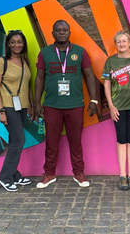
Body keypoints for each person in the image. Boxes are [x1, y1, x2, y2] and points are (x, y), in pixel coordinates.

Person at [34, 20, 98, 189]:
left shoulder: (80, 52)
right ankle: (49, 174)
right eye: (58, 30)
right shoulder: (45, 53)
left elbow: (90, 76)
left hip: (75, 105)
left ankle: (79, 173)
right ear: (52, 33)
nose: (61, 32)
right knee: (51, 142)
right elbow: (39, 78)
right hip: (52, 105)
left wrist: (94, 100)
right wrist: (37, 102)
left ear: (69, 33)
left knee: (75, 141)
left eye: (64, 30)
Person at [101, 30, 130, 190]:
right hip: (118, 107)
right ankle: (123, 176)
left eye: (124, 41)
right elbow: (107, 84)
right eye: (118, 42)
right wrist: (111, 106)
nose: (121, 44)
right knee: (121, 138)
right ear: (116, 44)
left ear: (129, 43)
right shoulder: (111, 61)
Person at [0, 30, 34, 192]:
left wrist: (30, 105)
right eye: (13, 42)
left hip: (22, 106)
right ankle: (5, 177)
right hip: (7, 106)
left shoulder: (25, 61)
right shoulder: (2, 62)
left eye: (20, 42)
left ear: (23, 44)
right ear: (8, 44)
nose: (17, 45)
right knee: (19, 140)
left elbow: (27, 85)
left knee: (14, 140)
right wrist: (1, 111)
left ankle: (14, 174)